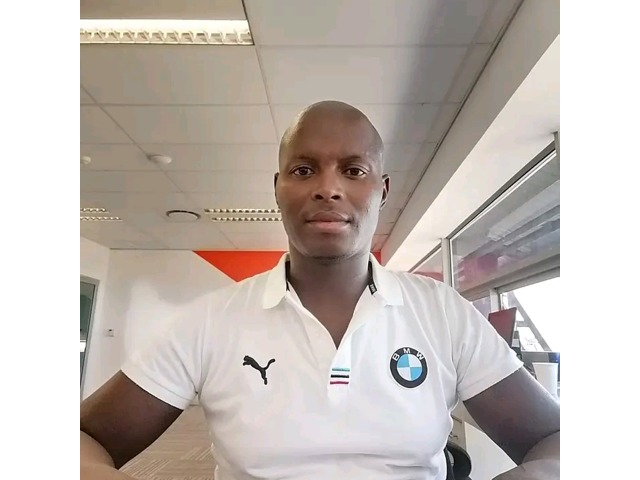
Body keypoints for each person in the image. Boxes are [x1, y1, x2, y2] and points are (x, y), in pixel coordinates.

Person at [80, 101, 560, 480]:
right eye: (304, 170)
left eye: (353, 170)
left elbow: (553, 439)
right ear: (278, 188)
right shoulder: (211, 320)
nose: (328, 188)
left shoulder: (442, 313)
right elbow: (85, 439)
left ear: (382, 190)